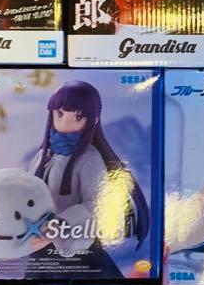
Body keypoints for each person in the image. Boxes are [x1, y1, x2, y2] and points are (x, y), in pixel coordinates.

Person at [26, 79, 149, 274]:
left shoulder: (89, 159)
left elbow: (97, 204)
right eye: (60, 114)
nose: (65, 123)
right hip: (42, 248)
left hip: (78, 249)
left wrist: (61, 224)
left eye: (77, 117)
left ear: (93, 120)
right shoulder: (42, 157)